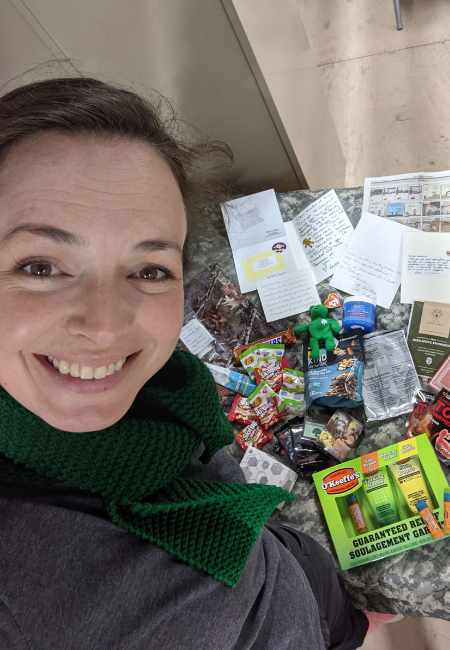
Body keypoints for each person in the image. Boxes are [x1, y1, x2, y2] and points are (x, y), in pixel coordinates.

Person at [0, 77, 372, 649]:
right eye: (40, 266)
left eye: (149, 270)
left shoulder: (168, 394)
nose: (105, 325)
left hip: (289, 571)